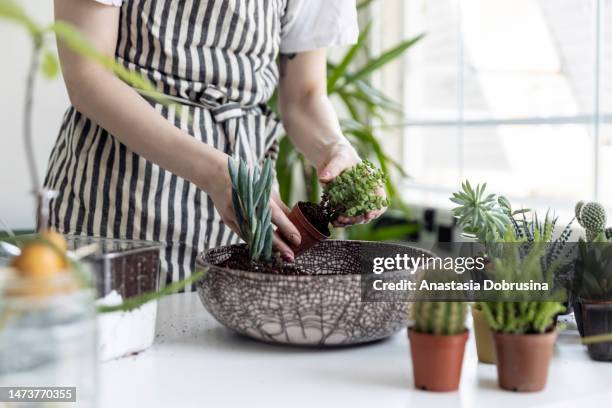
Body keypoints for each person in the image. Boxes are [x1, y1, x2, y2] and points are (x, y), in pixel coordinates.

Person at [44, 0, 386, 286]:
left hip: (246, 202)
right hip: (119, 193)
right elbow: (88, 76)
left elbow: (304, 97)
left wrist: (333, 148)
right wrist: (217, 173)